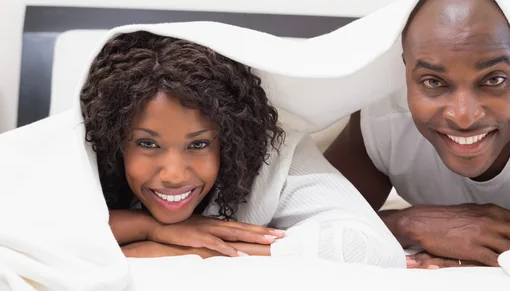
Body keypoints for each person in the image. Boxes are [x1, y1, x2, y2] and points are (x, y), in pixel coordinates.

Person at [79, 30, 403, 267]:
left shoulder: (272, 153)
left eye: (199, 144)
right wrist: (149, 227)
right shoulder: (83, 146)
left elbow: (374, 249)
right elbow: (40, 228)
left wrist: (201, 249)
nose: (174, 175)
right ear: (116, 137)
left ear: (230, 136)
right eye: (148, 143)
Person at [324, 0, 510, 269]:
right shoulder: (383, 121)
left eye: (494, 80)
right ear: (405, 70)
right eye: (434, 82)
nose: (463, 116)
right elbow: (309, 220)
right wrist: (409, 223)